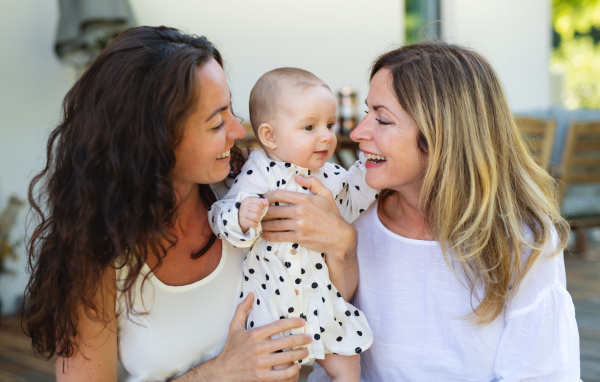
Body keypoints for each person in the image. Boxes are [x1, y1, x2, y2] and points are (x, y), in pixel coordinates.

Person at [22, 26, 358, 381]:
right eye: (216, 124)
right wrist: (220, 372)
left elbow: (332, 298)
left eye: (231, 109)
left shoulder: (247, 193)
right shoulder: (96, 258)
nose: (237, 130)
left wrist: (343, 244)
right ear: (155, 140)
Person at [310, 42, 581, 381]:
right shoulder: (350, 226)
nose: (358, 132)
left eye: (382, 119)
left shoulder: (524, 240)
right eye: (368, 113)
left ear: (442, 133)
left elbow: (541, 374)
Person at [209, 68, 377, 381]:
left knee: (346, 364)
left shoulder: (329, 173)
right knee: (278, 372)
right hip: (274, 299)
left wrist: (369, 169)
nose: (326, 136)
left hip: (320, 298)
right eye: (310, 127)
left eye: (329, 124)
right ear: (269, 136)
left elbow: (353, 198)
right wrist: (243, 216)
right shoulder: (260, 170)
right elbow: (221, 212)